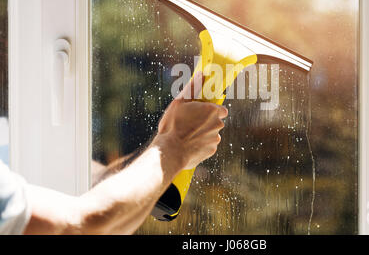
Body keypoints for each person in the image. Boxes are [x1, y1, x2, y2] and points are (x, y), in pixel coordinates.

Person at [0, 73, 228, 235]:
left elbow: (97, 178)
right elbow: (84, 227)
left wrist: (167, 145)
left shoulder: (7, 136)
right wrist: (175, 145)